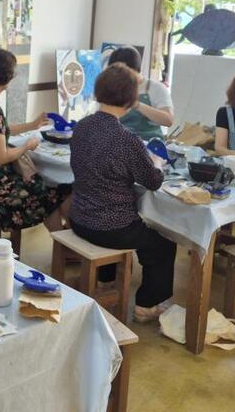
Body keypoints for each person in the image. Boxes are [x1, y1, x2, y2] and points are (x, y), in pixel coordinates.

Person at [69, 63, 175, 323]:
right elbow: (153, 181)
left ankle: (106, 281)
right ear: (131, 99)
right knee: (163, 245)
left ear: (97, 93)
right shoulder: (126, 139)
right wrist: (158, 162)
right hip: (111, 228)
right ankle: (146, 305)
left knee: (131, 227)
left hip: (79, 218)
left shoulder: (82, 127)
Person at [0, 47, 69, 232]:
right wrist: (27, 145)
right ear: (5, 77)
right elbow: (1, 157)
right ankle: (63, 245)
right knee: (47, 193)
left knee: (43, 187)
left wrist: (32, 125)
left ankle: (64, 244)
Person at [106, 46, 174, 140]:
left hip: (150, 146)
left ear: (136, 69)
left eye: (123, 72)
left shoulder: (155, 88)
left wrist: (137, 104)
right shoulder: (112, 87)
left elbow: (168, 120)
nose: (119, 77)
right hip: (121, 143)